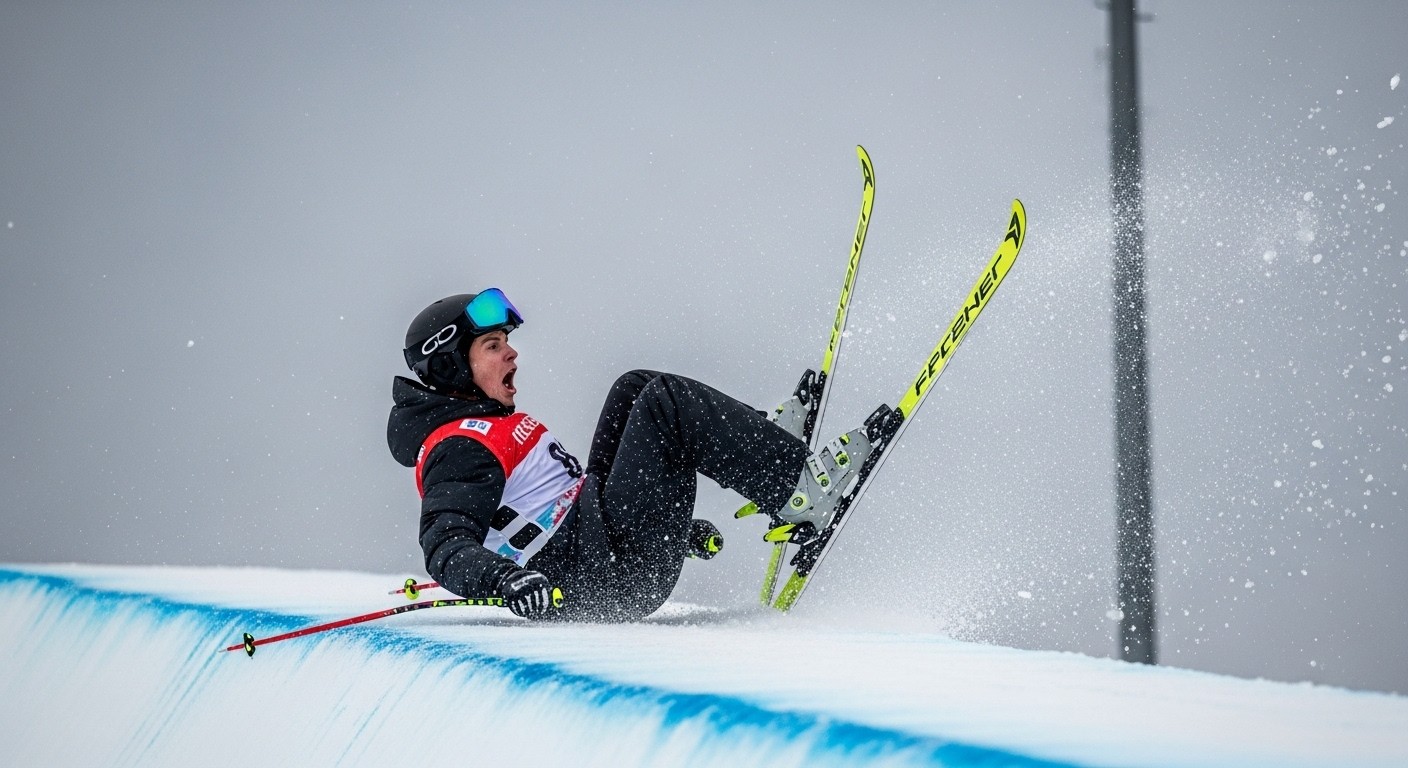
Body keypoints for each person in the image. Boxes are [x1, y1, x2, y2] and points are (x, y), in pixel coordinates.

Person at [386, 288, 872, 621]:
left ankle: (765, 445)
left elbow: (543, 510)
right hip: (598, 581)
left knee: (634, 388)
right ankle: (798, 489)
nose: (511, 355)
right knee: (665, 404)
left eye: (507, 343)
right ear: (453, 366)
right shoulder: (459, 447)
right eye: (493, 346)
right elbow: (445, 548)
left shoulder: (486, 427)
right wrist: (509, 582)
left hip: (599, 550)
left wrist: (671, 529)